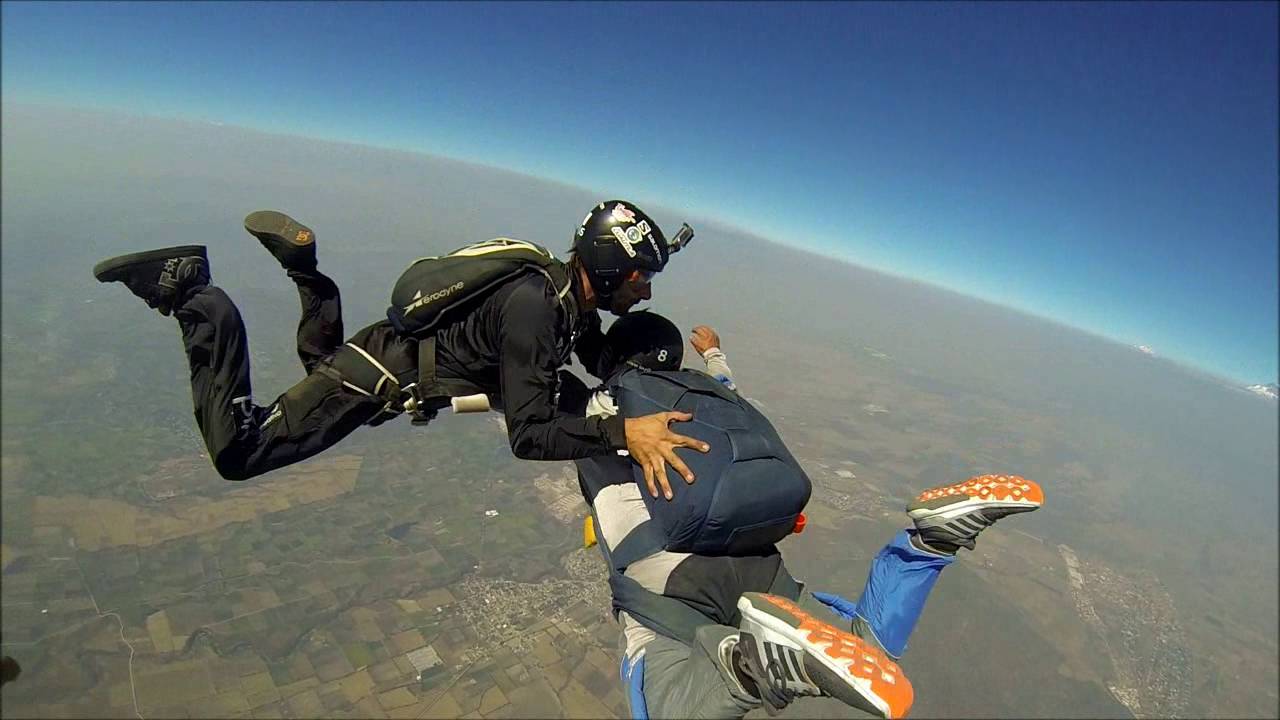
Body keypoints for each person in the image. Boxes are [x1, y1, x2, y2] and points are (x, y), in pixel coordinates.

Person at [572, 312, 1044, 719]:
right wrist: (714, 353)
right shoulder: (707, 396)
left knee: (664, 707)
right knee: (866, 651)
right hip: (759, 566)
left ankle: (753, 663)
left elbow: (528, 407)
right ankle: (930, 542)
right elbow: (727, 384)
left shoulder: (594, 411)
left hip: (667, 580)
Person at [92, 202, 709, 482]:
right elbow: (530, 434)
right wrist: (622, 433)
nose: (646, 293)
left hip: (382, 361)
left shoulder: (565, 300)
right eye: (641, 278)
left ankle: (306, 271)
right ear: (607, 264)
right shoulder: (538, 310)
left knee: (319, 366)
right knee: (239, 452)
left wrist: (657, 365)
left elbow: (593, 356)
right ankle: (193, 296)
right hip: (380, 375)